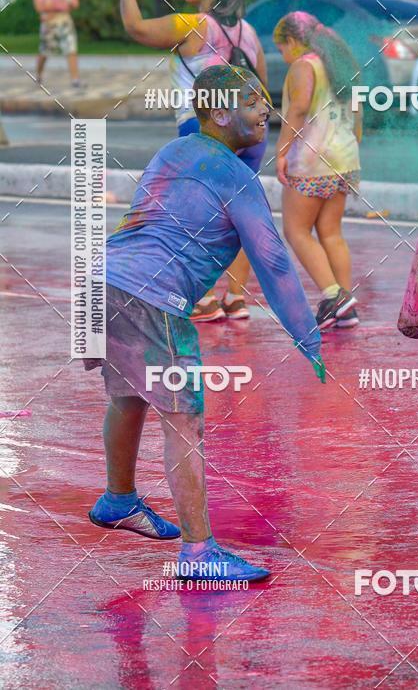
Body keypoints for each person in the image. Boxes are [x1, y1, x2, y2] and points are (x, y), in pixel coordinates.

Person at [87, 65, 326, 582]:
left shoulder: (175, 151)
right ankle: (198, 553)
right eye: (253, 102)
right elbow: (273, 262)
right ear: (219, 112)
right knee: (184, 419)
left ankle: (118, 499)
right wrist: (308, 336)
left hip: (104, 281)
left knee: (129, 395)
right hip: (154, 299)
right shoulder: (234, 177)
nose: (266, 110)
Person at [120, 0, 269, 322]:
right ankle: (235, 297)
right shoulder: (248, 32)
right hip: (250, 134)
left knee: (191, 215)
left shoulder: (195, 25)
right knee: (239, 213)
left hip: (204, 131)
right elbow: (261, 89)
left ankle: (202, 300)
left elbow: (136, 28)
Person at [273, 12, 362, 330]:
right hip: (344, 158)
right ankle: (346, 306)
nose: (284, 57)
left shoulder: (304, 65)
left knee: (296, 231)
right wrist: (354, 140)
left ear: (292, 41)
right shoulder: (340, 62)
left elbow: (298, 108)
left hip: (312, 159)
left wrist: (281, 152)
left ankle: (333, 296)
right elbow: (357, 109)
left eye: (282, 49)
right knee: (331, 232)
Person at [33, 0, 81, 86]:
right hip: (49, 24)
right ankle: (38, 74)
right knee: (45, 51)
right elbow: (39, 7)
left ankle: (75, 79)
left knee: (71, 48)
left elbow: (73, 3)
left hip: (64, 21)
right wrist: (58, 7)